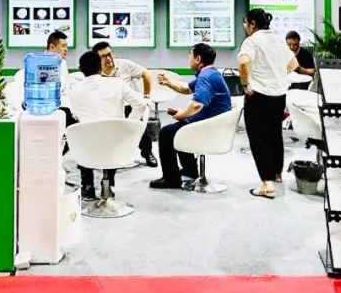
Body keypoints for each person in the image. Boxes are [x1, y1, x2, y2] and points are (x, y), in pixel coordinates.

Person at [149, 43, 233, 189]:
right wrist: (168, 83)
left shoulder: (205, 77)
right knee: (181, 126)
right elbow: (187, 89)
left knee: (166, 133)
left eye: (190, 55)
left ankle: (171, 179)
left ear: (198, 58)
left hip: (210, 127)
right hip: (215, 124)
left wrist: (181, 115)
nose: (189, 57)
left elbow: (197, 105)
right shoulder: (211, 73)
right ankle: (190, 170)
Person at [67, 50, 148, 200]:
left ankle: (87, 186)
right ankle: (108, 184)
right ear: (100, 67)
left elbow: (75, 116)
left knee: (84, 134)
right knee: (112, 135)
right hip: (116, 146)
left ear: (80, 70)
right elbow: (141, 104)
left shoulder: (74, 91)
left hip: (88, 150)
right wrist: (129, 124)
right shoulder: (117, 83)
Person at [238, 8, 298, 199]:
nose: (245, 27)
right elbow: (293, 64)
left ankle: (267, 184)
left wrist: (245, 84)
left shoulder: (252, 41)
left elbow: (244, 63)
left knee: (258, 138)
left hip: (258, 95)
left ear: (253, 24)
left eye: (246, 23)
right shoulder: (278, 39)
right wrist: (276, 76)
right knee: (275, 134)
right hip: (279, 95)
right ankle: (277, 174)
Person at [92, 41, 157, 167]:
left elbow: (146, 74)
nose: (108, 58)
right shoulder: (95, 72)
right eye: (103, 56)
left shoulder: (124, 64)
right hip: (106, 107)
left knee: (138, 125)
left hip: (128, 105)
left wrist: (146, 96)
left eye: (109, 54)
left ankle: (147, 152)